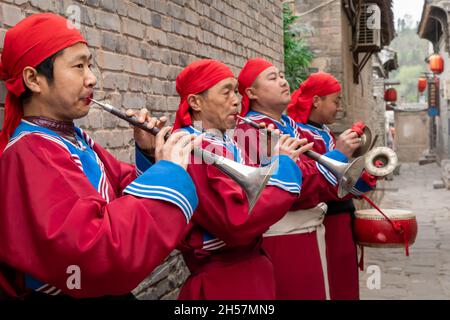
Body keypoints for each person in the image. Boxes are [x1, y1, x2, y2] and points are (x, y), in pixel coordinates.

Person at [0, 13, 200, 299]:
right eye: (79, 66)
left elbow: (123, 190)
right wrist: (169, 172)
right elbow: (94, 250)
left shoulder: (76, 140)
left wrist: (149, 151)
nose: (92, 78)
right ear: (33, 79)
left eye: (90, 65)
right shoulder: (30, 152)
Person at [172, 59, 309, 300]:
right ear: (195, 102)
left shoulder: (229, 141)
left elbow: (252, 191)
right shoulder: (193, 148)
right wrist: (284, 165)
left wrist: (268, 160)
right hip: (224, 283)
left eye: (236, 91)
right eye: (226, 92)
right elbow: (237, 221)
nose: (237, 100)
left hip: (250, 272)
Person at [287, 71, 377, 300]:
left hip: (341, 221)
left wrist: (367, 177)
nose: (339, 107)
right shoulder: (300, 134)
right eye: (335, 101)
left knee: (345, 281)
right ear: (316, 100)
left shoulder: (324, 132)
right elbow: (317, 183)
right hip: (327, 223)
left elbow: (343, 179)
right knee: (335, 283)